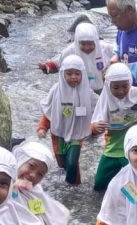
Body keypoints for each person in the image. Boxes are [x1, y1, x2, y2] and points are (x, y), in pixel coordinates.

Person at [91, 62, 137, 192]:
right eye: (116, 87)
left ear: (130, 82)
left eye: (125, 86)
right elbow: (93, 126)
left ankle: (133, 204)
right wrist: (96, 127)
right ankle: (108, 204)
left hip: (134, 150)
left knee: (135, 186)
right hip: (111, 151)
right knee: (99, 185)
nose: (121, 91)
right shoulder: (105, 100)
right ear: (108, 86)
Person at [37, 54, 98, 186]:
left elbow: (100, 110)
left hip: (76, 134)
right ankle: (68, 190)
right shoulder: (56, 91)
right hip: (58, 135)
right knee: (63, 165)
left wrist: (95, 128)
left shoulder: (87, 93)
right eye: (69, 73)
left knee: (72, 162)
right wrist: (42, 128)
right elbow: (49, 113)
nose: (73, 77)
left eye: (77, 73)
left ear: (83, 74)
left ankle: (75, 187)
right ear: (62, 74)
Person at [37, 21, 113, 93]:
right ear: (77, 42)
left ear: (96, 41)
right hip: (80, 89)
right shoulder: (71, 50)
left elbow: (119, 57)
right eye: (83, 44)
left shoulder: (106, 48)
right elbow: (58, 62)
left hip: (103, 88)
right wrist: (47, 66)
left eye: (90, 44)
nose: (87, 48)